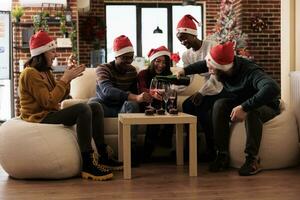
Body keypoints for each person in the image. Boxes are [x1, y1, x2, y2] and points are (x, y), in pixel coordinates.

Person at [19, 31, 123, 181]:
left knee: (95, 106)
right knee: (83, 108)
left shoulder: (45, 72)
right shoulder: (30, 73)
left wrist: (68, 79)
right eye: (52, 51)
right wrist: (65, 79)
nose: (55, 55)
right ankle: (88, 163)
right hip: (39, 117)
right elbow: (48, 102)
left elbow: (59, 97)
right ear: (41, 53)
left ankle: (103, 155)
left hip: (50, 113)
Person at [176, 41, 281, 176]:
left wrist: (244, 107)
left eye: (212, 69)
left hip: (265, 104)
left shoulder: (250, 72)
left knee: (251, 112)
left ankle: (252, 159)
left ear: (223, 68)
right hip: (242, 100)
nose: (209, 71)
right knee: (219, 104)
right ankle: (222, 154)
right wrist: (185, 70)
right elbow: (205, 64)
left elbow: (272, 88)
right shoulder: (223, 66)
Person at [89, 35, 152, 166]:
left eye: (131, 57)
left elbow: (135, 93)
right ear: (116, 56)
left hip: (123, 108)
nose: (129, 61)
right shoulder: (103, 68)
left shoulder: (132, 71)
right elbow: (107, 92)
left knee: (133, 105)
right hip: (104, 107)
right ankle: (102, 152)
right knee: (92, 104)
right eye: (124, 58)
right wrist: (134, 97)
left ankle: (130, 151)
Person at [176, 14, 227, 161]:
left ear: (194, 34)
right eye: (180, 39)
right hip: (207, 87)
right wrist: (173, 88)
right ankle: (192, 143)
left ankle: (212, 148)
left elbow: (216, 74)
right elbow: (188, 78)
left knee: (202, 108)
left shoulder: (212, 46)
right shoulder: (186, 55)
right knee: (187, 105)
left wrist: (201, 92)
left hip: (220, 86)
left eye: (185, 38)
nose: (182, 42)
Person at [137, 46, 174, 160]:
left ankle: (166, 141)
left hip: (163, 104)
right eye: (158, 61)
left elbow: (170, 92)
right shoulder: (143, 73)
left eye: (164, 62)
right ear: (152, 61)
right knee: (156, 113)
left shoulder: (168, 74)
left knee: (172, 105)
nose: (161, 65)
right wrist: (154, 93)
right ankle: (147, 152)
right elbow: (142, 89)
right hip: (146, 103)